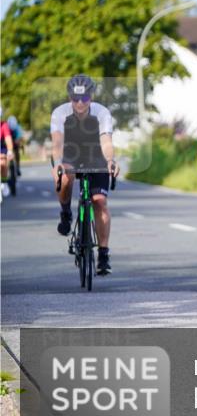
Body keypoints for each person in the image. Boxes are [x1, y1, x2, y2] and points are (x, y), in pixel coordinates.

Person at [50, 75, 120, 275]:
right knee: (65, 176)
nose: (80, 103)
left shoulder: (101, 113)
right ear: (70, 97)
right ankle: (65, 212)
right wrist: (58, 164)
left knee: (99, 201)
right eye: (75, 98)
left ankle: (104, 254)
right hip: (69, 153)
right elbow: (57, 143)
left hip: (95, 155)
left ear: (92, 97)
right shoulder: (60, 113)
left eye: (85, 99)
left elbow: (106, 141)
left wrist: (110, 161)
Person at [0, 106, 14, 199]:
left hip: (1, 148)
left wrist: (9, 151)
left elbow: (8, 140)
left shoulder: (4, 125)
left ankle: (4, 182)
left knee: (3, 162)